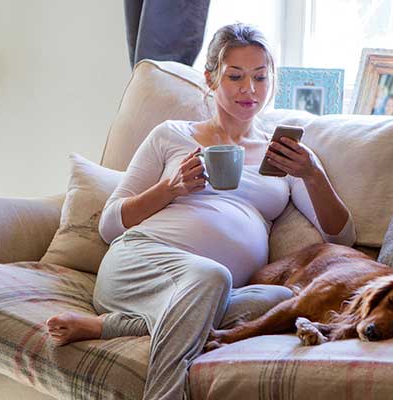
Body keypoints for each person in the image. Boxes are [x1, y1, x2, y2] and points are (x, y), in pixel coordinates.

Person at [45, 23, 355, 399]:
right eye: (235, 76)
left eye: (260, 76)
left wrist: (313, 174)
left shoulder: (283, 155)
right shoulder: (171, 135)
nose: (249, 89)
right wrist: (170, 188)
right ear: (211, 79)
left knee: (281, 300)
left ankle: (112, 326)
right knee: (210, 276)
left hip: (210, 291)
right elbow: (110, 225)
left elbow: (342, 236)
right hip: (140, 263)